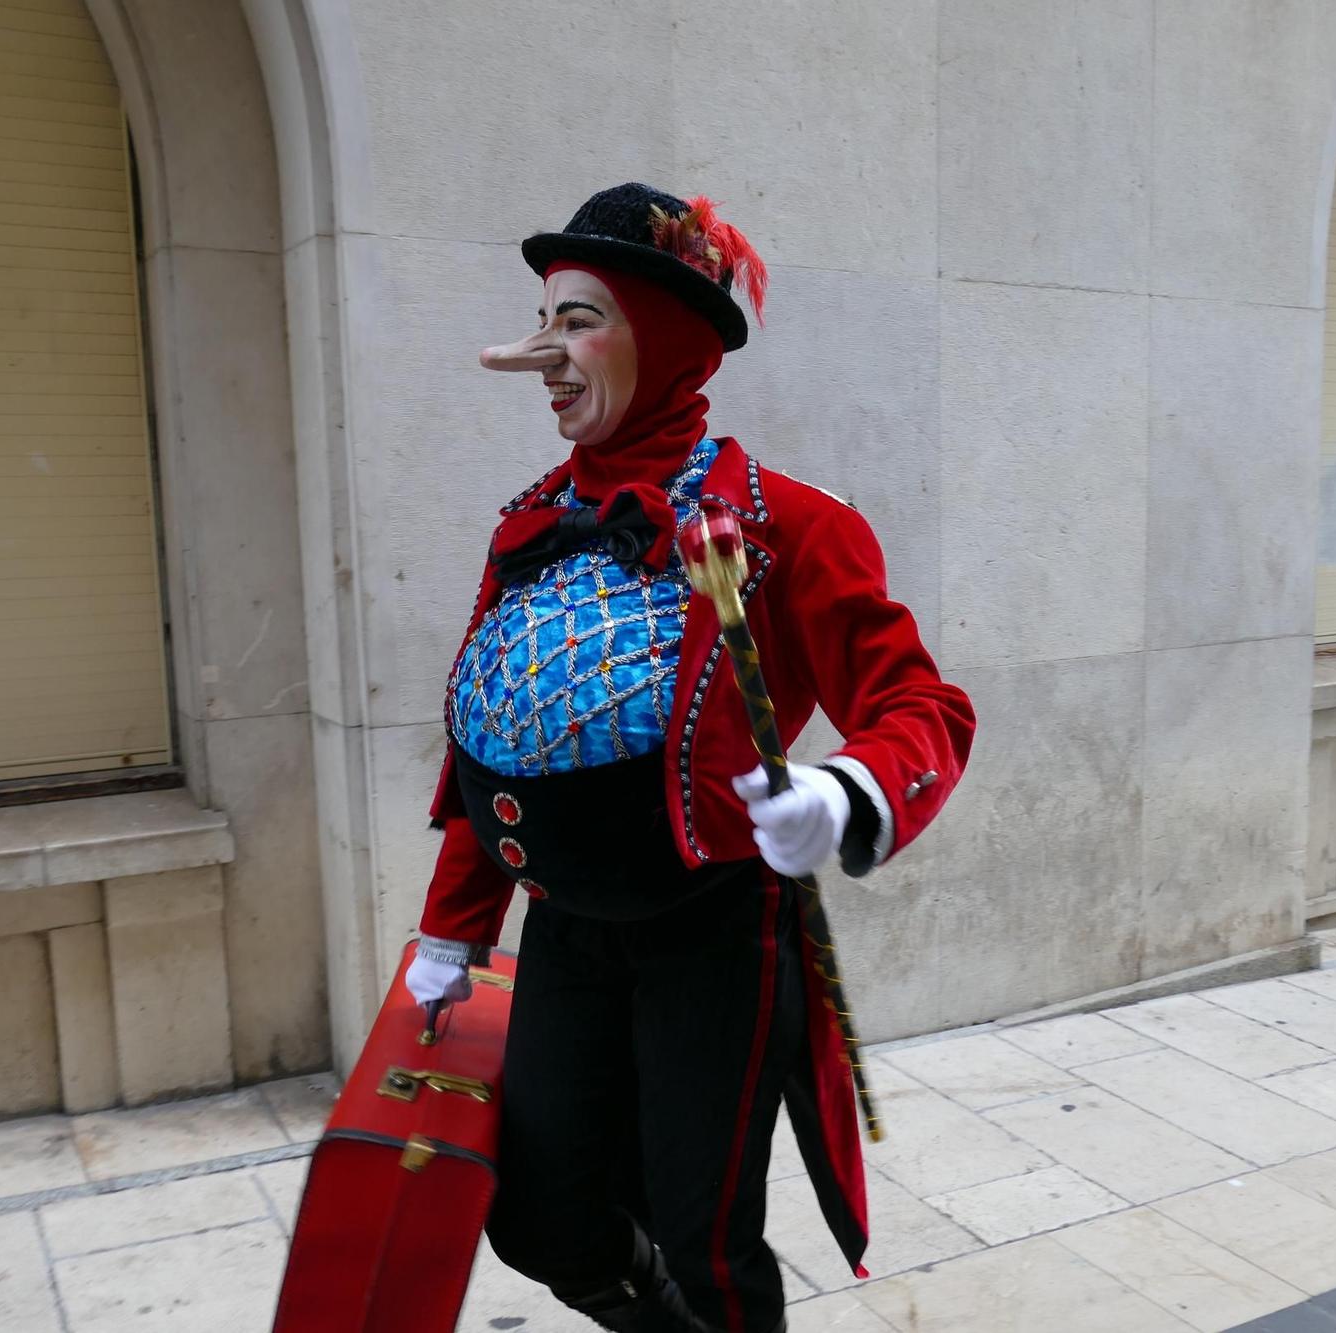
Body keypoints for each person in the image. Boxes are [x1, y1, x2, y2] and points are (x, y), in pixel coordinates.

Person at [402, 183, 975, 1333]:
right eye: (543, 321)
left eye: (577, 322)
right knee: (540, 1215)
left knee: (708, 1240)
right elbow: (486, 753)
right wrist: (449, 930)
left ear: (664, 333)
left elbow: (923, 705)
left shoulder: (785, 523)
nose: (543, 357)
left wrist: (846, 786)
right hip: (563, 931)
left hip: (711, 938)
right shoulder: (526, 526)